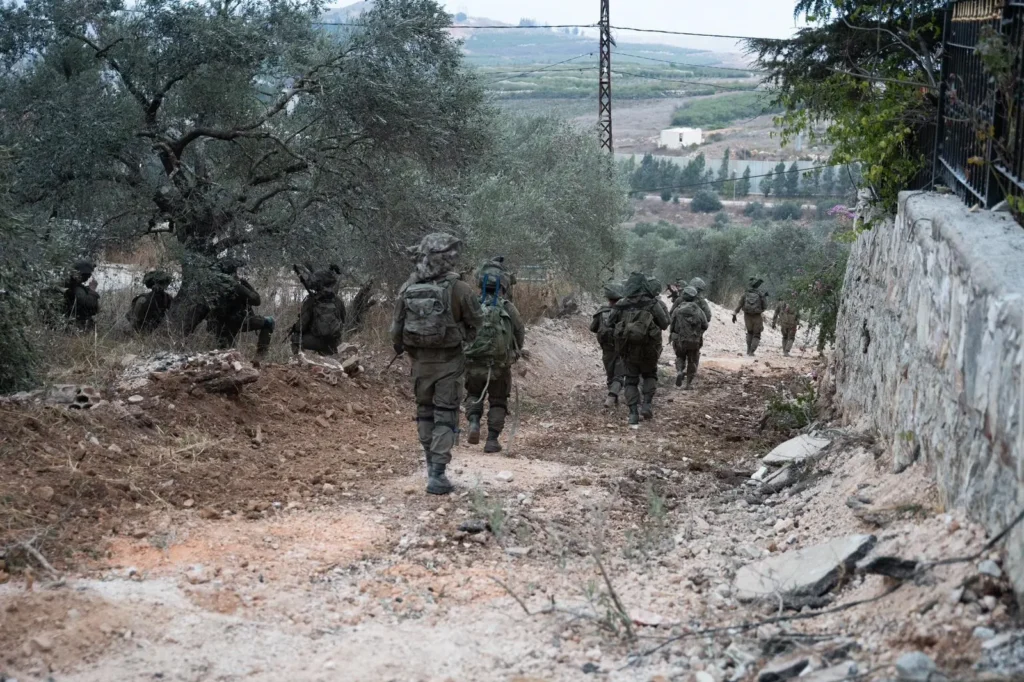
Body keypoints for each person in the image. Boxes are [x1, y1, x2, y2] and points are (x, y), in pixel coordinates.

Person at [390, 233, 482, 495]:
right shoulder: (460, 289)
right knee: (445, 415)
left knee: (424, 413)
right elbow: (477, 323)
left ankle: (430, 464)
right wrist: (464, 340)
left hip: (420, 364)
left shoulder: (408, 287)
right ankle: (438, 475)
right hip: (449, 363)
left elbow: (395, 331)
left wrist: (409, 349)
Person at [464, 257, 525, 454]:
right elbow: (519, 332)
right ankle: (491, 440)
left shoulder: (472, 305)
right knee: (498, 400)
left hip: (473, 363)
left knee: (474, 394)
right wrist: (514, 353)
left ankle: (474, 422)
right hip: (499, 366)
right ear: (504, 285)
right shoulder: (508, 308)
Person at [608, 272, 670, 425]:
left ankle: (633, 414)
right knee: (649, 375)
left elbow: (610, 323)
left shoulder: (621, 303)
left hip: (627, 349)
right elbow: (664, 324)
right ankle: (647, 404)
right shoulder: (652, 303)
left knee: (630, 380)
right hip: (649, 349)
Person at [207, 257, 275, 357]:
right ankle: (261, 356)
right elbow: (257, 300)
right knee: (269, 322)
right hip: (237, 322)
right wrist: (246, 284)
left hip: (218, 325)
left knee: (226, 353)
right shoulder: (236, 286)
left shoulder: (212, 286)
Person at [290, 265, 346, 356]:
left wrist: (294, 328)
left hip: (318, 341)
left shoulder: (311, 301)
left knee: (295, 338)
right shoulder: (338, 301)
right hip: (335, 343)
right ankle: (328, 355)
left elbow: (302, 326)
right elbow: (343, 320)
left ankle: (299, 360)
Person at [590, 282, 625, 408]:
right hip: (622, 348)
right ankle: (612, 396)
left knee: (610, 375)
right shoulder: (625, 312)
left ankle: (613, 399)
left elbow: (593, 328)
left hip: (607, 349)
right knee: (619, 375)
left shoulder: (602, 311)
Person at [670, 286, 708, 390]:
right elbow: (705, 325)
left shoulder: (677, 309)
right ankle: (688, 384)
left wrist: (673, 334)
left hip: (680, 340)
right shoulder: (699, 310)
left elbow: (672, 324)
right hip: (694, 340)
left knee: (680, 357)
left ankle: (679, 371)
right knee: (692, 361)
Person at [732, 277, 768, 356]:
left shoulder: (746, 293)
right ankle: (752, 352)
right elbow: (765, 306)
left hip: (747, 316)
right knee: (757, 334)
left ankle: (748, 350)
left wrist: (734, 314)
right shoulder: (760, 294)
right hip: (757, 316)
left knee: (749, 332)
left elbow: (739, 304)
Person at [62, 260, 100, 331]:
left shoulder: (72, 284)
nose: (89, 276)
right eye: (87, 274)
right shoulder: (76, 288)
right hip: (77, 325)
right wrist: (92, 289)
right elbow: (89, 303)